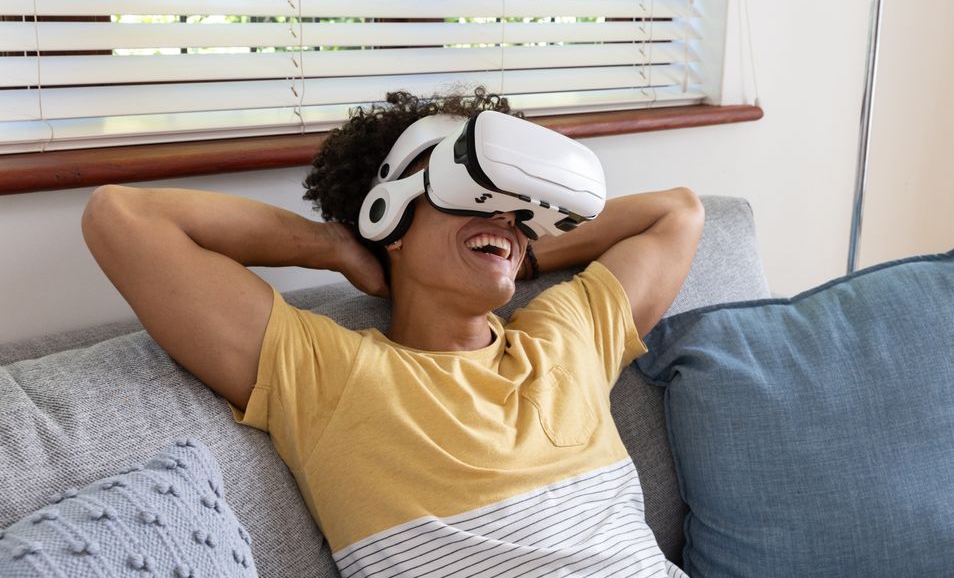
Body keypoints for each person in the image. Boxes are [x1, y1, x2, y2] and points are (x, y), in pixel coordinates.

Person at [81, 88, 704, 577]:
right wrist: (342, 248)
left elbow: (677, 212)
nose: (506, 220)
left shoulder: (566, 335)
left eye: (518, 211)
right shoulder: (325, 373)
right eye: (474, 195)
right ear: (392, 215)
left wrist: (516, 249)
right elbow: (124, 217)